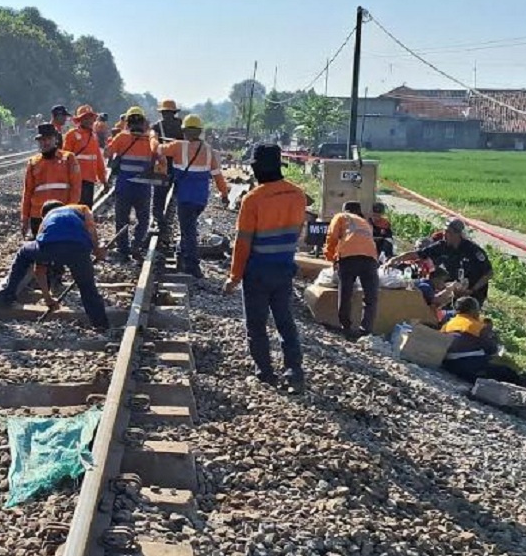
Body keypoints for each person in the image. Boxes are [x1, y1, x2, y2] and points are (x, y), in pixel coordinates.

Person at [223, 144, 307, 392]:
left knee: (257, 325)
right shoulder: (298, 195)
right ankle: (294, 373)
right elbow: (296, 234)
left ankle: (266, 373)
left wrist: (234, 276)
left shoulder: (253, 199)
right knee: (285, 322)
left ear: (257, 169)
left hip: (257, 272)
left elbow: (243, 241)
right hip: (284, 269)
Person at [0, 200, 110, 331]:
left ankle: (8, 294)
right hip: (78, 249)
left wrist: (48, 298)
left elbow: (39, 270)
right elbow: (91, 227)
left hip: (50, 248)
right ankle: (100, 324)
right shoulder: (82, 208)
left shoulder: (47, 220)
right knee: (87, 287)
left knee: (23, 253)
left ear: (44, 215)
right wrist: (97, 249)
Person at [157, 114, 228, 278]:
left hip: (185, 198)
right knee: (189, 227)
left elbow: (157, 149)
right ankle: (185, 255)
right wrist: (224, 194)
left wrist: (153, 137)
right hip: (201, 199)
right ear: (199, 131)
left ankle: (193, 266)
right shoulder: (209, 150)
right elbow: (218, 175)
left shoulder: (177, 146)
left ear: (184, 131)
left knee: (188, 231)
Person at [387, 218, 493, 306]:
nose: (444, 234)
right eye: (444, 231)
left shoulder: (473, 250)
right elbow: (417, 254)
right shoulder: (442, 246)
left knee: (465, 314)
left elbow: (489, 273)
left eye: (448, 232)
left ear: (458, 234)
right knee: (437, 304)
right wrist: (395, 260)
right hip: (456, 286)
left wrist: (473, 290)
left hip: (474, 291)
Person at [106, 106, 161, 261]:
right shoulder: (150, 140)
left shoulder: (121, 138)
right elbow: (158, 157)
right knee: (143, 219)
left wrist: (114, 139)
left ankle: (123, 249)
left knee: (121, 218)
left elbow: (107, 153)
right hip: (143, 187)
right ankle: (136, 244)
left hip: (124, 186)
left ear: (127, 122)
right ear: (143, 122)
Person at [324, 201, 380, 339]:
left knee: (346, 293)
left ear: (345, 210)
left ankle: (346, 328)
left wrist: (331, 259)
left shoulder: (341, 217)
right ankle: (365, 330)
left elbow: (331, 238)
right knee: (370, 297)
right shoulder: (365, 222)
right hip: (370, 259)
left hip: (349, 258)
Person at [21, 124, 82, 237]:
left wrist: (69, 211)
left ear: (56, 139)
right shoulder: (33, 162)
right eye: (42, 140)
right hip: (38, 215)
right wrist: (24, 217)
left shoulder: (69, 158)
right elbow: (28, 192)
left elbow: (76, 188)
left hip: (61, 213)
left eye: (49, 138)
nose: (46, 142)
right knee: (41, 249)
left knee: (60, 247)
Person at [63, 105, 107, 207]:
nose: (89, 120)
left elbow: (99, 160)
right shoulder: (72, 135)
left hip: (89, 180)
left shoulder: (93, 136)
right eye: (85, 118)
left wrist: (103, 180)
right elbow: (65, 157)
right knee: (74, 208)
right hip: (75, 179)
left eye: (90, 118)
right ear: (79, 120)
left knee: (86, 209)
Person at [149, 99, 184, 228]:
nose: (167, 115)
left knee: (160, 191)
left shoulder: (156, 127)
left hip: (163, 162)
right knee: (175, 191)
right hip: (178, 162)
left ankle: (158, 215)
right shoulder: (181, 125)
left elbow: (153, 145)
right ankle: (160, 216)